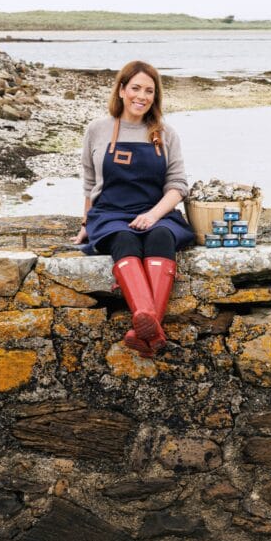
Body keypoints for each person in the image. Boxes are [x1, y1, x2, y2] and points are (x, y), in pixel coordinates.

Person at [73, 60, 194, 357]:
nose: (142, 96)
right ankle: (150, 323)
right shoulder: (98, 130)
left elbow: (178, 185)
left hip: (156, 211)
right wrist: (86, 223)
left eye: (149, 91)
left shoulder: (166, 134)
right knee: (125, 239)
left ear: (156, 96)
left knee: (161, 238)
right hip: (110, 213)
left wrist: (154, 215)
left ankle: (142, 326)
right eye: (136, 88)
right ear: (122, 90)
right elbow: (90, 181)